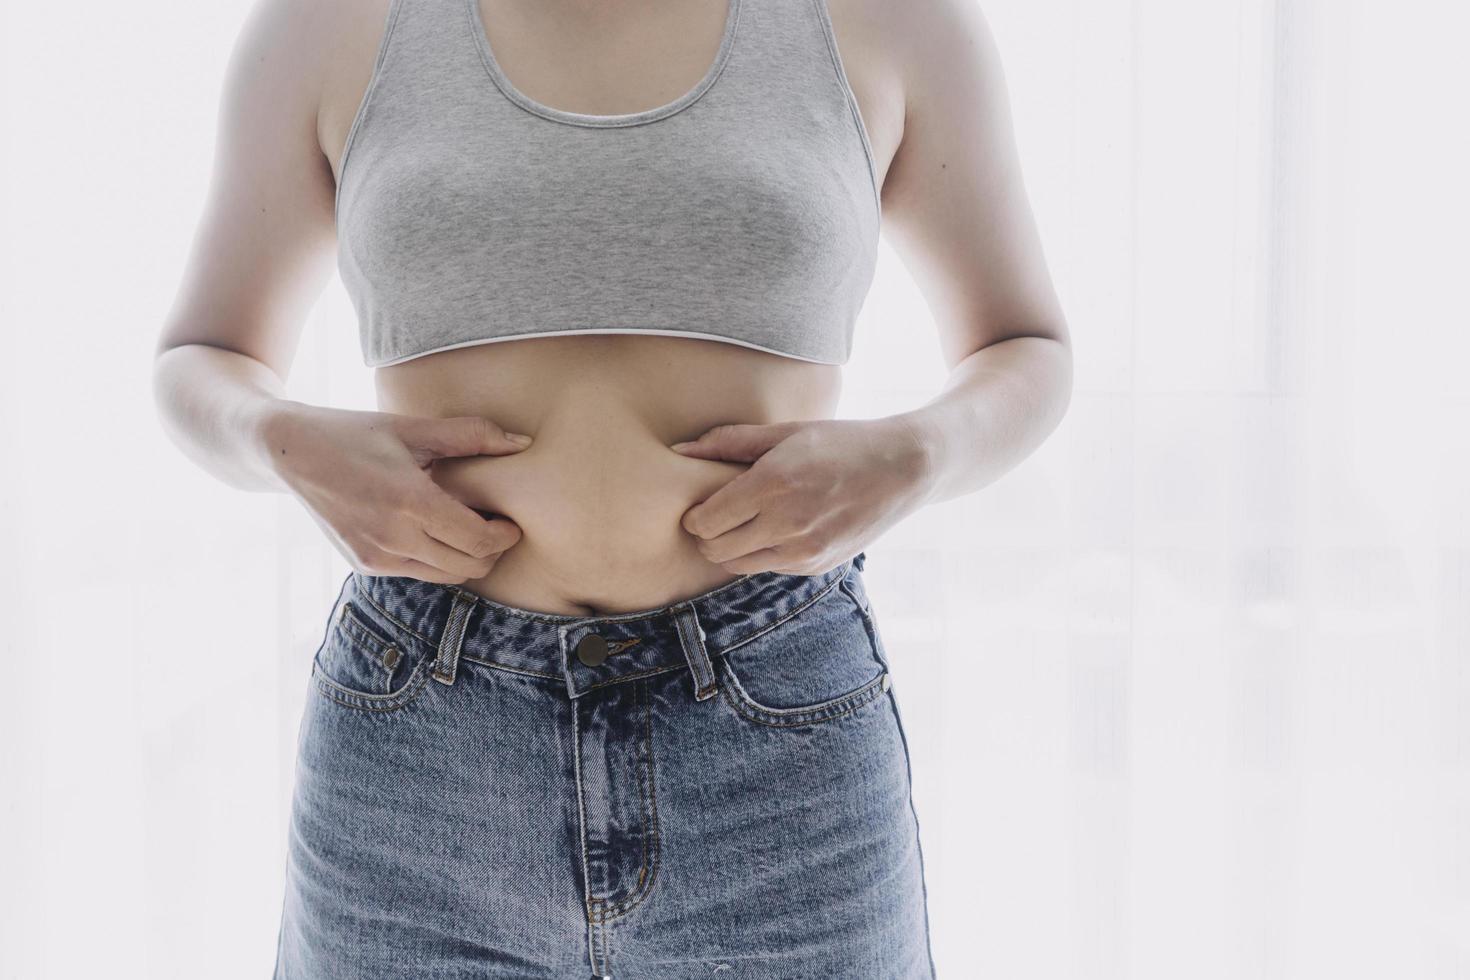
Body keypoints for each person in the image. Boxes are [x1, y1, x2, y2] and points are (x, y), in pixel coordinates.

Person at [151, 0, 1071, 975]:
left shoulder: (889, 22)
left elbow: (1024, 342)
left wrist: (918, 451)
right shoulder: (330, 24)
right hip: (421, 747)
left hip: (777, 745)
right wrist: (284, 439)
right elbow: (202, 354)